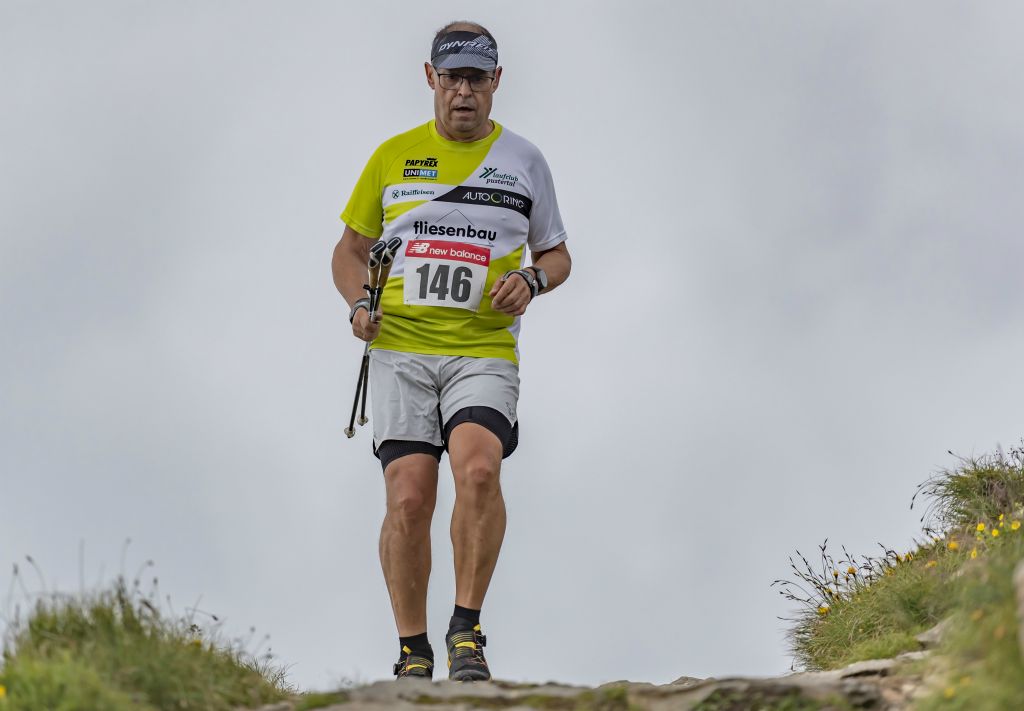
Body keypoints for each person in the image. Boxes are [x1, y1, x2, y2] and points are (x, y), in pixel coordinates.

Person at [332, 20, 571, 682]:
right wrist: (358, 304)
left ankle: (466, 629)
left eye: (476, 78)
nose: (463, 91)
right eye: (452, 77)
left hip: (482, 350)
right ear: (430, 78)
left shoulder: (524, 160)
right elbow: (349, 250)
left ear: (497, 82)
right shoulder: (393, 156)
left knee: (480, 470)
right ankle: (413, 647)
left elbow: (557, 253)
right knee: (410, 499)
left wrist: (532, 280)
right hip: (400, 351)